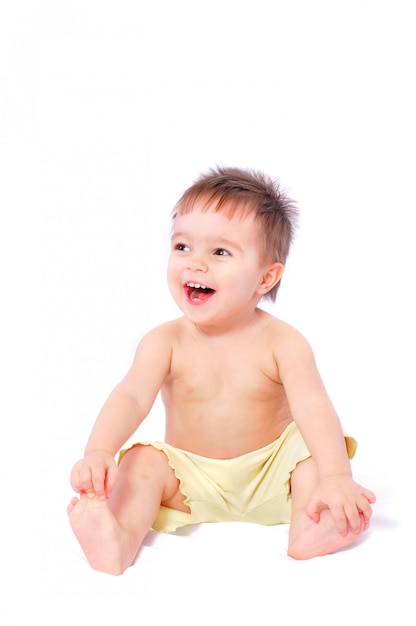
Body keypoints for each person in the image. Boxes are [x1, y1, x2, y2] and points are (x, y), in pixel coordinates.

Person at [68, 166, 376, 575]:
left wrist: (336, 475)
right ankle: (118, 539)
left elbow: (313, 406)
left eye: (220, 252)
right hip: (190, 479)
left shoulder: (284, 342)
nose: (196, 263)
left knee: (312, 450)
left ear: (265, 277)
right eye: (182, 247)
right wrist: (100, 451)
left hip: (274, 477)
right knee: (142, 461)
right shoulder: (164, 341)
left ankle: (311, 526)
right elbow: (132, 396)